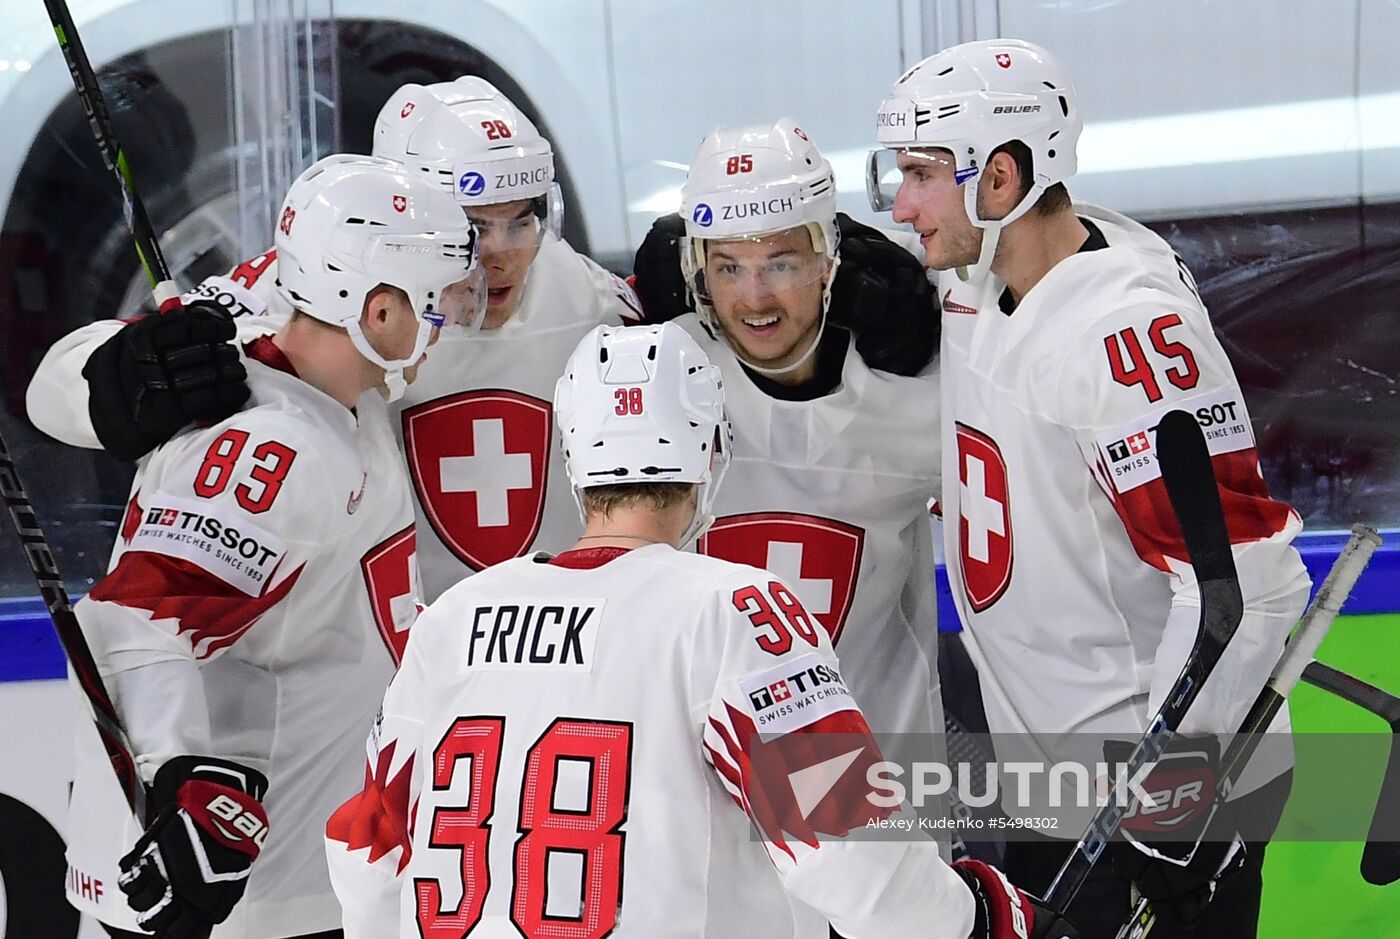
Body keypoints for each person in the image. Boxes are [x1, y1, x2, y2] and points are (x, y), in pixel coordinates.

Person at [323, 321, 1078, 939]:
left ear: (572, 458)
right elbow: (841, 840)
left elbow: (369, 844)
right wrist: (976, 917)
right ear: (711, 455)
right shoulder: (734, 609)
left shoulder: (452, 618)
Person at [868, 38, 1311, 938]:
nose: (901, 203)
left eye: (920, 174)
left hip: (1146, 802)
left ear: (1001, 179)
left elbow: (1254, 588)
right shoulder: (979, 273)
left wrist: (1172, 813)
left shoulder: (1123, 328)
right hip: (1051, 773)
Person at [63, 154, 483, 939]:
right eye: (438, 301)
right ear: (380, 311)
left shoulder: (334, 390)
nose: (450, 322)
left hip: (285, 882)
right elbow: (131, 620)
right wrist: (179, 784)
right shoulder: (277, 449)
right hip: (228, 897)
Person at [25, 76, 640, 601]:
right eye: (473, 227)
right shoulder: (312, 287)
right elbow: (52, 388)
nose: (503, 256)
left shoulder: (582, 291)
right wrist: (124, 377)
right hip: (382, 659)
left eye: (522, 219)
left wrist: (684, 295)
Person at [631, 118, 947, 842]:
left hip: (878, 811)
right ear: (695, 269)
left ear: (830, 257)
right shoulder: (661, 376)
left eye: (781, 262)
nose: (754, 298)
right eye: (729, 266)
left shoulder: (922, 390)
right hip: (710, 820)